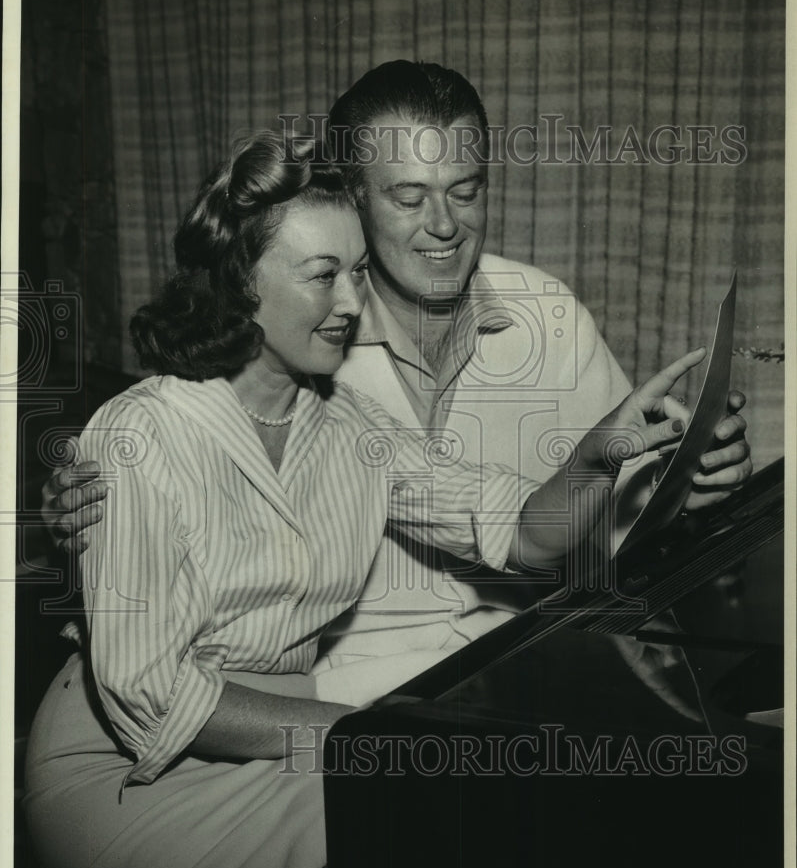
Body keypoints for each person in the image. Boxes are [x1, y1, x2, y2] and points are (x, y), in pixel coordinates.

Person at [24, 129, 704, 868]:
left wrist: (598, 456)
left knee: (481, 826)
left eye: (356, 273)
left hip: (286, 744)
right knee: (444, 807)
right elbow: (151, 694)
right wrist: (370, 737)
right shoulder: (140, 431)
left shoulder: (349, 423)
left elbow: (522, 536)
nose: (351, 303)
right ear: (241, 282)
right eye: (322, 277)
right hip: (128, 780)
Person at [41, 60, 752, 705]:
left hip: (517, 662)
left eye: (464, 192)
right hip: (332, 690)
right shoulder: (291, 333)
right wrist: (79, 521)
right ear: (350, 198)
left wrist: (682, 488)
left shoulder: (548, 313)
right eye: (408, 198)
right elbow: (163, 493)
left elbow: (599, 530)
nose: (443, 225)